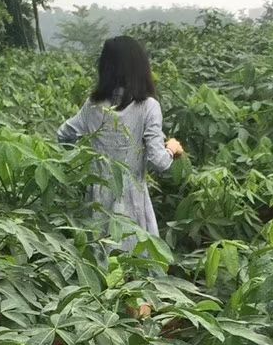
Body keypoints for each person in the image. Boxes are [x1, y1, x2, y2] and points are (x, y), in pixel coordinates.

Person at [57, 35, 185, 250]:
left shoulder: (93, 105)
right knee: (135, 267)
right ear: (140, 67)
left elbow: (64, 135)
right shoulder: (148, 106)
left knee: (100, 265)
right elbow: (159, 162)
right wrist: (171, 149)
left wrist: (84, 160)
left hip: (97, 198)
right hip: (132, 198)